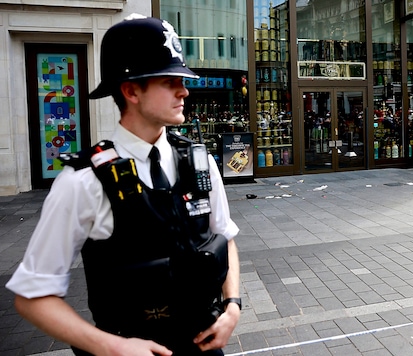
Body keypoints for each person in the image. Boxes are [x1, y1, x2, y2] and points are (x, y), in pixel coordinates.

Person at [6, 15, 241, 356]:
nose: (185, 90)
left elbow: (224, 238)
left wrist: (232, 305)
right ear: (131, 90)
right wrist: (111, 347)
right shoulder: (82, 182)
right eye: (170, 80)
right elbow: (32, 296)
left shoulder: (199, 162)